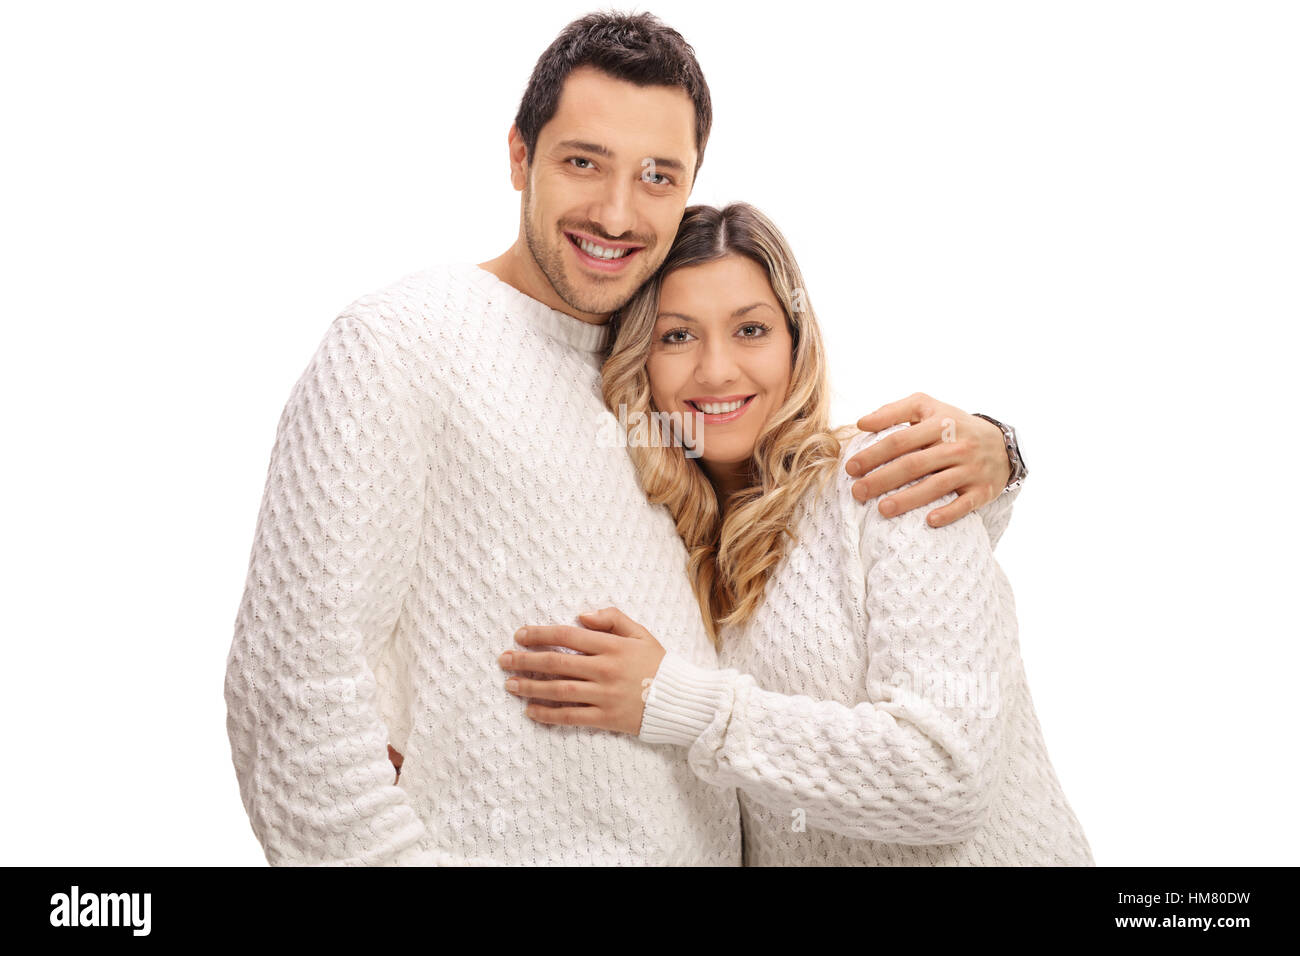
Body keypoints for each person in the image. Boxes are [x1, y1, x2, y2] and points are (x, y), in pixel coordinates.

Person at [224, 12, 1024, 866]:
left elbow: (822, 553)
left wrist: (1000, 453)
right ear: (518, 157)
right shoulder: (401, 342)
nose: (616, 210)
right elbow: (294, 689)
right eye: (582, 162)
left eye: (656, 175)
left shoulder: (646, 380)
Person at [500, 202, 1094, 866]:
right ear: (638, 358)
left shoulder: (885, 475)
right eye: (677, 336)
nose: (717, 370)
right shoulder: (663, 541)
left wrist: (672, 700)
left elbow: (947, 776)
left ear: (795, 340)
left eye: (750, 329)